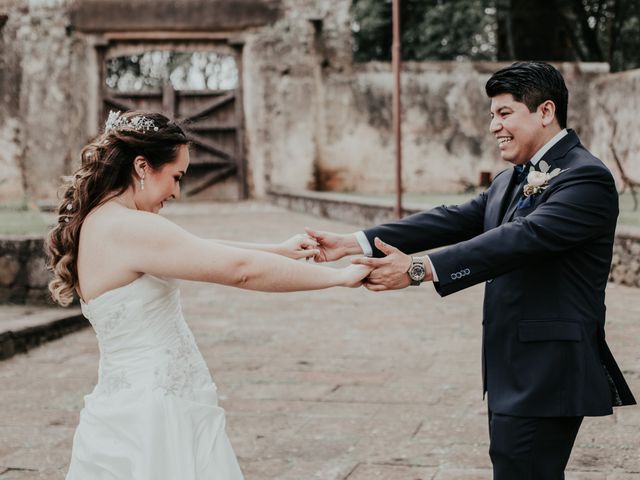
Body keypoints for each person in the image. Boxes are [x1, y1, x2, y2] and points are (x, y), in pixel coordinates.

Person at [306, 61, 636, 479]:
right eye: (491, 115)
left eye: (504, 113)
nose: (494, 125)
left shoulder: (585, 178)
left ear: (546, 112)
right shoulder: (510, 178)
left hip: (548, 369)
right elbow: (453, 218)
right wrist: (355, 241)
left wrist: (417, 270)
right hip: (513, 365)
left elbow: (522, 238)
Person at [45, 110, 372, 480]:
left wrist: (277, 250)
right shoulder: (128, 227)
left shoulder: (107, 221)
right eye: (176, 177)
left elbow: (194, 247)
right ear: (141, 166)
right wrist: (338, 278)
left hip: (128, 400)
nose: (176, 192)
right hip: (155, 411)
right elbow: (241, 271)